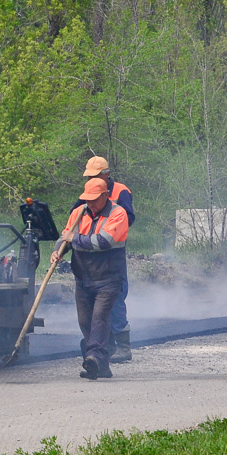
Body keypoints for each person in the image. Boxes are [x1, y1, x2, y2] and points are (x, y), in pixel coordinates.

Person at [51, 177, 129, 380]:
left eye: (94, 199)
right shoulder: (79, 213)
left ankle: (93, 357)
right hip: (84, 277)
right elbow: (65, 236)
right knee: (85, 321)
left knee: (99, 318)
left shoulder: (118, 214)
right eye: (87, 199)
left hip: (109, 278)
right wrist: (58, 250)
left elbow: (103, 241)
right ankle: (102, 364)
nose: (90, 203)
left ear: (105, 196)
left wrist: (73, 239)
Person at [81, 155, 135, 362]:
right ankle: (104, 345)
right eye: (89, 176)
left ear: (106, 174)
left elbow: (128, 218)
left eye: (94, 176)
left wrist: (108, 222)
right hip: (91, 256)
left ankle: (123, 346)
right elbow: (77, 214)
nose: (90, 180)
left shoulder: (121, 191)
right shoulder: (88, 192)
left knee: (116, 297)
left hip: (111, 253)